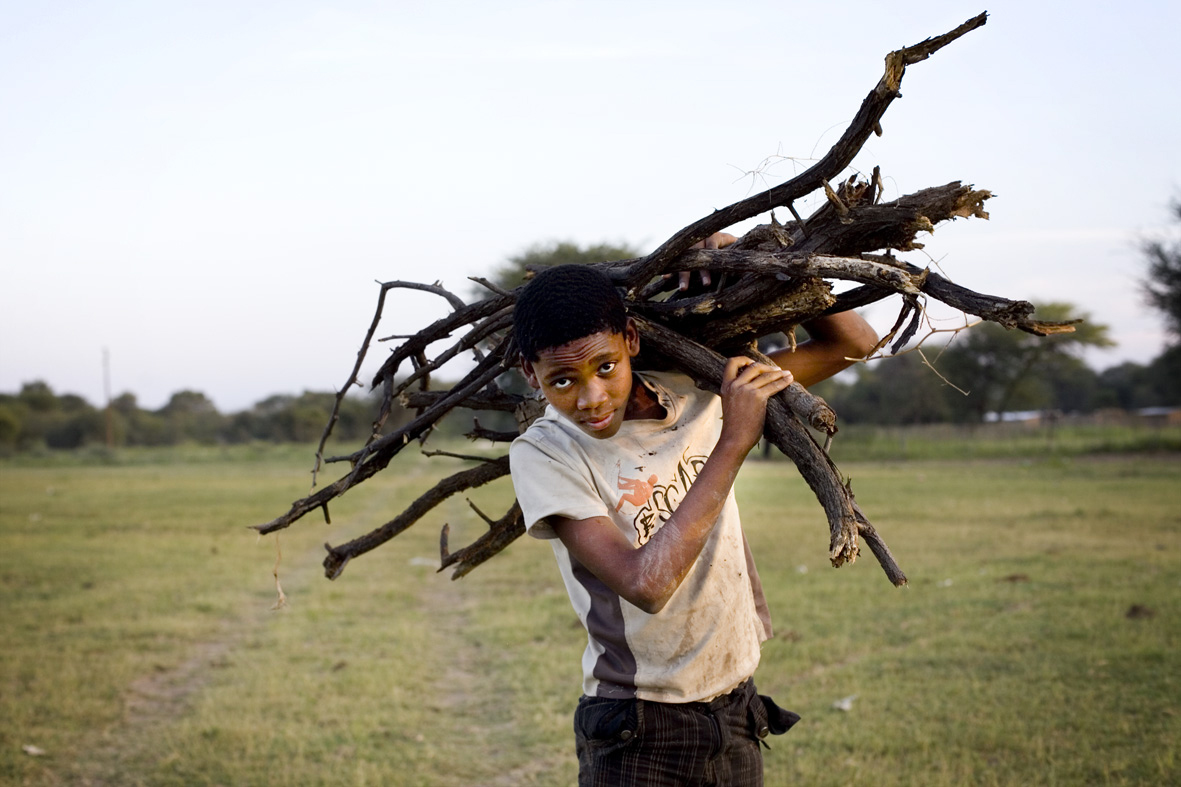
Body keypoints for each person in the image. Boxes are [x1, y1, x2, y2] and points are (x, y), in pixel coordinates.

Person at [508, 238, 877, 786]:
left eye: (605, 366)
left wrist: (759, 251)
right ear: (530, 375)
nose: (591, 398)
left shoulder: (699, 387)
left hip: (737, 708)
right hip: (638, 728)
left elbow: (853, 342)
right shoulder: (545, 451)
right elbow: (646, 583)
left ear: (630, 340)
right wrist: (734, 440)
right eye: (563, 380)